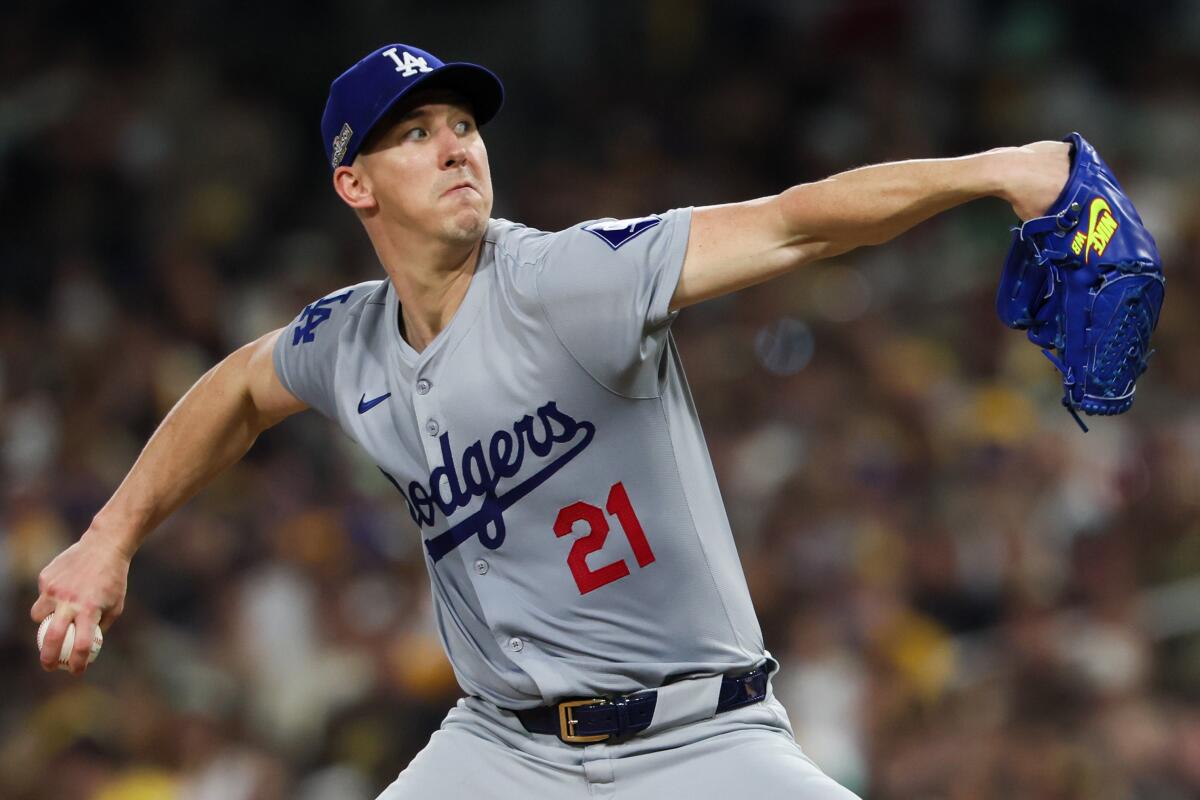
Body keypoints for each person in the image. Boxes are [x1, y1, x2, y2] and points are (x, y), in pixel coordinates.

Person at [32, 43, 1069, 798]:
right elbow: (241, 388)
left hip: (701, 740)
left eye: (463, 127)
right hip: (503, 750)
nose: (454, 149)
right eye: (413, 134)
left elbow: (793, 223)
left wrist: (997, 170)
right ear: (354, 183)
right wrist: (108, 538)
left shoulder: (568, 279)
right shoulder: (348, 341)